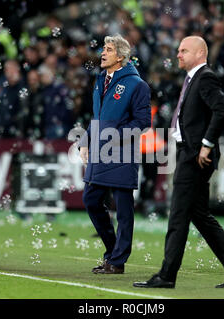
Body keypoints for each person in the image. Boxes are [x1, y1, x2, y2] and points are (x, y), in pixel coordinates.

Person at [133, 36, 224, 289]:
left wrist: (206, 144)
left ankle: (167, 275)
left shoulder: (205, 77)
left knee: (178, 214)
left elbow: (222, 109)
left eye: (184, 50)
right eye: (177, 50)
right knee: (199, 216)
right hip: (189, 153)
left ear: (200, 53)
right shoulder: (192, 79)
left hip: (195, 155)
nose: (178, 54)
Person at [79, 34, 151, 274]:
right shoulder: (100, 80)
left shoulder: (137, 85)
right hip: (100, 151)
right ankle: (112, 252)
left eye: (109, 49)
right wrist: (85, 141)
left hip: (122, 153)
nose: (103, 53)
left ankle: (117, 261)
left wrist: (114, 135)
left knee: (123, 208)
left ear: (120, 57)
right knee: (90, 199)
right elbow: (97, 117)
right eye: (103, 48)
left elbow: (143, 122)